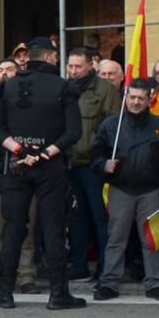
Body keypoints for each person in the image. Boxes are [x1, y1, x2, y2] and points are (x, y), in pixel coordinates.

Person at [0, 37, 82, 310]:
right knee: (52, 227)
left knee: (13, 227)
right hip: (50, 165)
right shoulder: (63, 86)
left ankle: (5, 292)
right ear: (50, 57)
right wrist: (46, 152)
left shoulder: (8, 86)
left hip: (18, 164)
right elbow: (74, 132)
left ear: (29, 58)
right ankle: (58, 294)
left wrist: (20, 150)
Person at [90, 78, 159, 300]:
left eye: (140, 98)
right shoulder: (110, 125)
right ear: (125, 97)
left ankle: (154, 283)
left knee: (152, 240)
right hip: (120, 188)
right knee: (116, 237)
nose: (135, 102)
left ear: (149, 99)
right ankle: (109, 282)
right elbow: (95, 155)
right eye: (132, 97)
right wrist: (103, 165)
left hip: (151, 190)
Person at [65, 47, 120, 285]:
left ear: (91, 65)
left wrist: (102, 159)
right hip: (68, 164)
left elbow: (113, 129)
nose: (73, 71)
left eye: (78, 66)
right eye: (70, 66)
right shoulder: (64, 89)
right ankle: (79, 266)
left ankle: (105, 268)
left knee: (100, 218)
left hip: (93, 166)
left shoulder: (105, 90)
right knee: (75, 217)